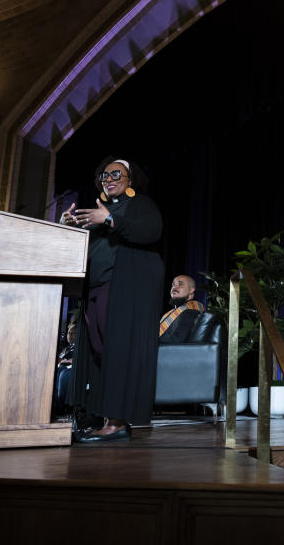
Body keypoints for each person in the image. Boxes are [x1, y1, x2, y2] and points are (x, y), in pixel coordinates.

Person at [60, 157, 164, 442]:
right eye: (104, 175)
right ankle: (102, 416)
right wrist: (67, 226)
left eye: (117, 173)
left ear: (130, 178)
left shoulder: (140, 204)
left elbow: (151, 231)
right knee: (98, 353)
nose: (109, 178)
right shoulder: (96, 212)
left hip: (122, 290)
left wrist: (108, 218)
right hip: (92, 290)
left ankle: (116, 423)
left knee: (116, 352)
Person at [159, 275, 205, 344]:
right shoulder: (178, 311)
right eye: (173, 285)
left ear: (191, 290)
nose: (174, 288)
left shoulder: (191, 311)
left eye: (180, 284)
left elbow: (175, 340)